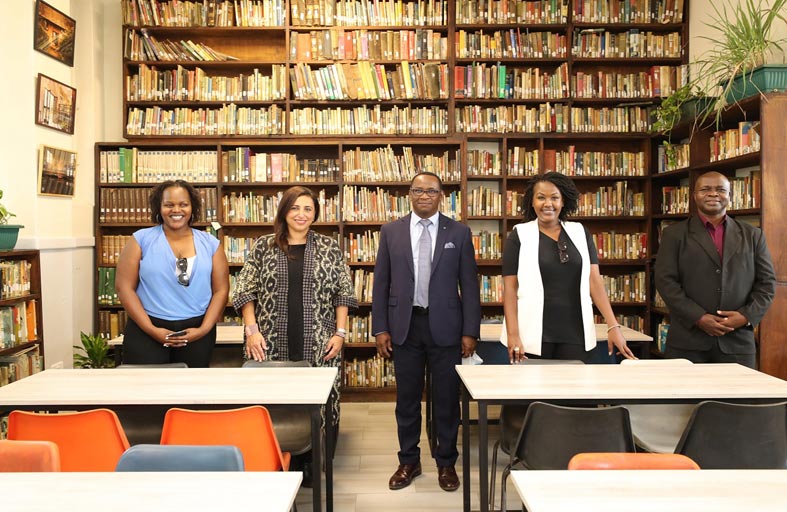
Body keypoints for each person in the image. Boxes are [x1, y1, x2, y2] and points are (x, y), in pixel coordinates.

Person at [230, 186, 357, 483]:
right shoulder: (263, 246)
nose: (301, 214)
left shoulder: (328, 247)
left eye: (308, 209)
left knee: (317, 402)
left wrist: (340, 333)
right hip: (269, 342)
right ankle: (272, 460)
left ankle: (313, 465)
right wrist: (251, 330)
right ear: (284, 211)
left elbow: (343, 292)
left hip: (320, 341)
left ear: (315, 214)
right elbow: (245, 289)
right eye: (295, 208)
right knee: (274, 401)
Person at [372, 171, 481, 492]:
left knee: (446, 400)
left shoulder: (459, 232)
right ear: (409, 194)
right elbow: (381, 283)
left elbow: (469, 286)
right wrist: (380, 327)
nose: (424, 196)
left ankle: (446, 462)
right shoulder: (391, 231)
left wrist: (470, 331)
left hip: (446, 327)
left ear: (440, 195)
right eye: (418, 190)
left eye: (430, 191)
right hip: (404, 326)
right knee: (406, 400)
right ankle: (409, 461)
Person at [501, 172, 636, 363]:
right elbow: (510, 289)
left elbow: (594, 282)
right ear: (532, 201)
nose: (548, 204)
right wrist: (513, 334)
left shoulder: (580, 232)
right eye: (541, 197)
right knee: (532, 383)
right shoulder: (519, 235)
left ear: (563, 201)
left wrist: (613, 326)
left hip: (576, 334)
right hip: (531, 334)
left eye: (554, 198)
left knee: (574, 382)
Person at [655, 171, 775, 367]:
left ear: (729, 195)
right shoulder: (674, 235)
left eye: (720, 189)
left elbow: (767, 283)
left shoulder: (753, 236)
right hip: (688, 342)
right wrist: (698, 317)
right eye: (705, 189)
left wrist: (745, 316)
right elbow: (665, 281)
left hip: (737, 342)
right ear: (694, 196)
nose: (713, 194)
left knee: (739, 389)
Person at [116, 180, 229, 368]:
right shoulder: (140, 240)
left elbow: (221, 291)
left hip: (197, 332)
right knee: (145, 386)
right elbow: (124, 288)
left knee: (191, 386)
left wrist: (204, 329)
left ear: (192, 207)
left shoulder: (211, 244)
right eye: (169, 204)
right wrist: (151, 329)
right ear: (159, 207)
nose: (176, 210)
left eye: (183, 204)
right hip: (146, 330)